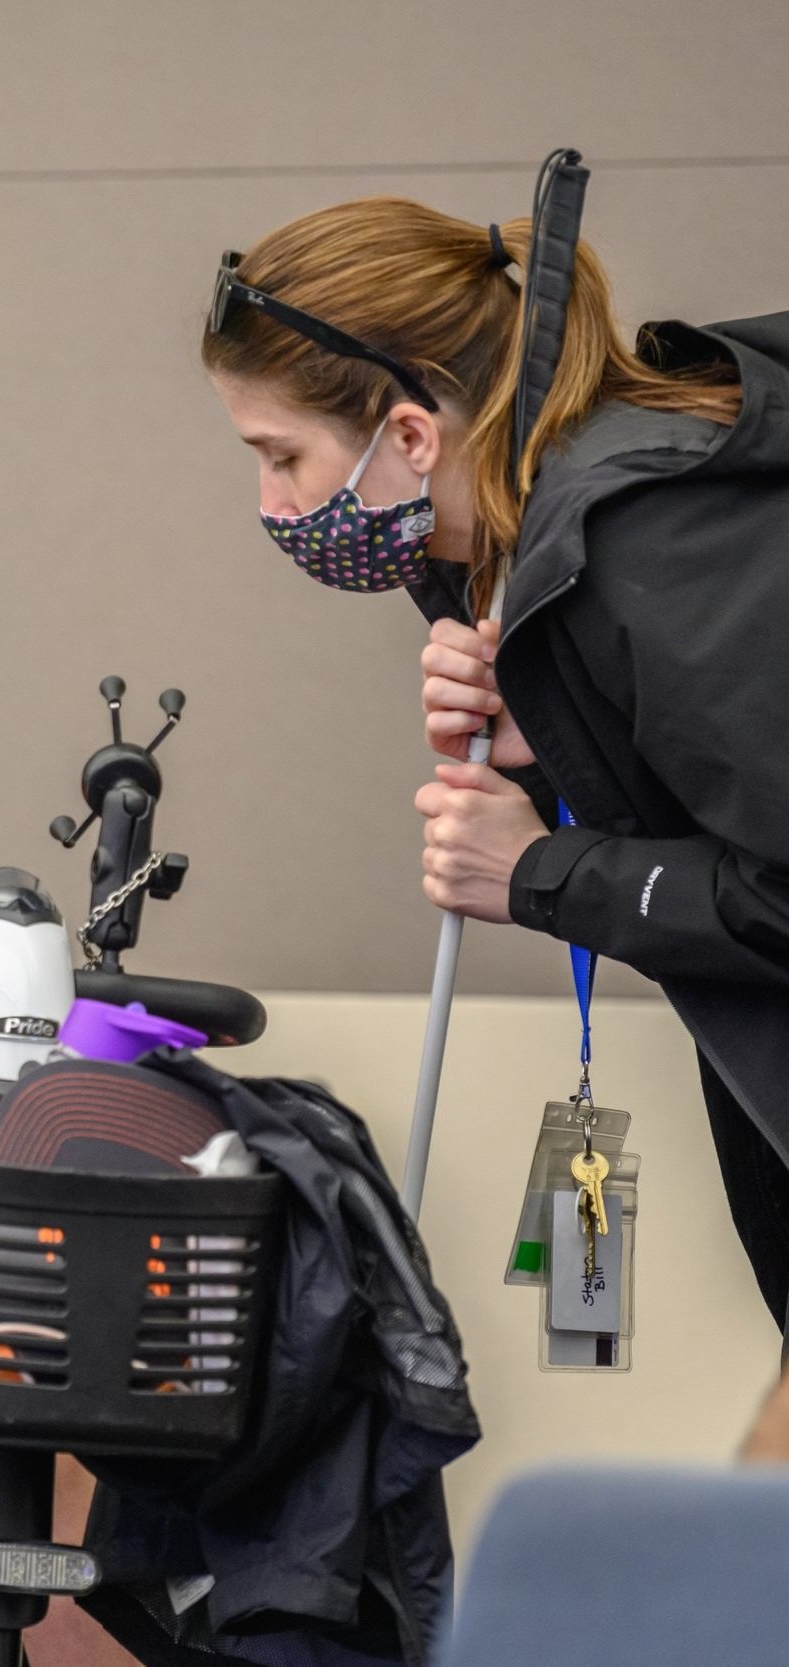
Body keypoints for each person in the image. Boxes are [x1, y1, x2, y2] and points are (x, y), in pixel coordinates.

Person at [201, 197, 789, 1330]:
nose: (272, 504)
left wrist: (539, 872)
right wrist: (553, 747)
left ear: (410, 435)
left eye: (280, 456)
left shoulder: (656, 533)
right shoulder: (566, 543)